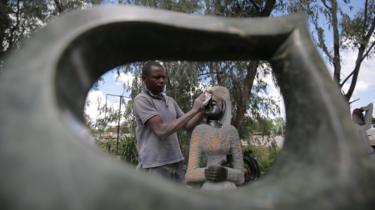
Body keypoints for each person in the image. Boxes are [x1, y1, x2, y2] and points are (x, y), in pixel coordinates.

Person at [133, 61, 206, 182]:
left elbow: (188, 125)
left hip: (176, 161)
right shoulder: (141, 100)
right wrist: (194, 110)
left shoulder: (170, 101)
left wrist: (202, 110)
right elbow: (161, 130)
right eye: (157, 77)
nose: (161, 81)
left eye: (163, 77)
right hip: (155, 165)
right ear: (144, 79)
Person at [185, 86, 244, 190]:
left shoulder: (231, 131)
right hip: (209, 188)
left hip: (229, 188)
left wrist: (226, 173)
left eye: (212, 104)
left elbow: (241, 177)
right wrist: (207, 172)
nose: (207, 107)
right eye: (206, 104)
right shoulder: (199, 131)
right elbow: (190, 175)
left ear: (224, 106)